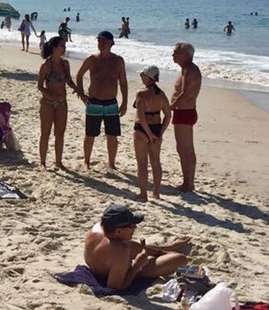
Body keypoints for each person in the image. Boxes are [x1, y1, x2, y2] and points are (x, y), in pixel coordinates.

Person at [84, 203, 190, 290]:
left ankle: (166, 249)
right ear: (118, 231)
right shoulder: (121, 250)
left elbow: (129, 245)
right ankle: (165, 251)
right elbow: (115, 287)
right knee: (179, 258)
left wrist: (167, 248)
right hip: (109, 273)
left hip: (99, 263)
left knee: (132, 245)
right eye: (132, 226)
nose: (134, 228)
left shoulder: (98, 228)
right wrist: (136, 266)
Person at [75, 30, 127, 170]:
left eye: (104, 41)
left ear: (111, 43)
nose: (101, 44)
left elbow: (123, 82)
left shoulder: (118, 60)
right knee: (90, 134)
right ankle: (87, 161)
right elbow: (79, 76)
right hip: (94, 101)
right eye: (99, 41)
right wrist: (82, 94)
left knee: (112, 135)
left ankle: (111, 163)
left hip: (111, 102)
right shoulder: (92, 59)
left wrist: (125, 102)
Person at [38, 36, 79, 170]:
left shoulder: (65, 64)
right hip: (48, 103)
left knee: (60, 134)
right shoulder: (46, 65)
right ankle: (43, 162)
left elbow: (69, 81)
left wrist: (80, 92)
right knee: (45, 133)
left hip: (62, 103)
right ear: (54, 48)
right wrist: (49, 95)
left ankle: (58, 161)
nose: (64, 48)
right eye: (62, 45)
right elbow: (40, 86)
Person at [132, 66, 172, 200]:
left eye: (142, 75)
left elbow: (141, 117)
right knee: (156, 162)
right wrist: (160, 133)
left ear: (148, 77)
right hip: (156, 128)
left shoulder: (141, 94)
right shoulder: (161, 95)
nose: (141, 77)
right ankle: (156, 192)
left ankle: (143, 193)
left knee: (142, 163)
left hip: (142, 130)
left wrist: (149, 134)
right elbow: (168, 115)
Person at [171, 42, 202, 192]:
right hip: (182, 111)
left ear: (187, 55)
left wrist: (170, 106)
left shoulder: (190, 70)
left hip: (185, 112)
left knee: (186, 149)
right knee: (182, 148)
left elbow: (186, 94)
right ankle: (187, 181)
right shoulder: (185, 69)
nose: (173, 55)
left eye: (176, 53)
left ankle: (189, 183)